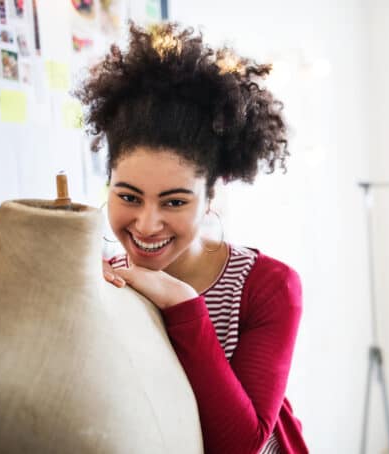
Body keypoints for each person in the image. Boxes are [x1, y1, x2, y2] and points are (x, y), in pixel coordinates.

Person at [75, 22, 308, 454]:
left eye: (175, 202)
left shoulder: (269, 287)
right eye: (128, 196)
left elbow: (242, 444)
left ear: (212, 195)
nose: (146, 225)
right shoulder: (99, 278)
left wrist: (181, 302)